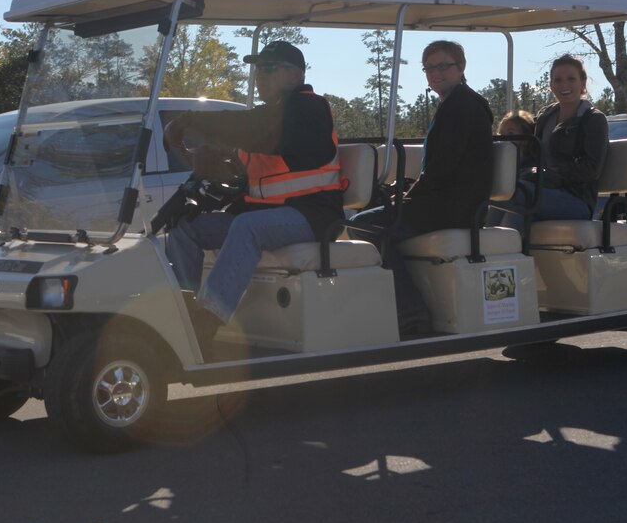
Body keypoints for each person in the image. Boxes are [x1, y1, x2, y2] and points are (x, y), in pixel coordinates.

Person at [163, 40, 345, 343]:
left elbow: (256, 129)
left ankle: (205, 323)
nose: (260, 75)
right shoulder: (272, 114)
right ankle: (180, 313)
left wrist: (191, 120)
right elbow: (256, 170)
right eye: (258, 69)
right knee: (186, 228)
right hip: (269, 215)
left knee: (247, 228)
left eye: (269, 69)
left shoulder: (309, 107)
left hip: (313, 216)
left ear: (296, 75)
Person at [350, 40, 494, 333]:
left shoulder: (463, 106)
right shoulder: (453, 104)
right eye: (429, 68)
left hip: (455, 206)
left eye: (443, 66)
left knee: (364, 225)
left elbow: (443, 168)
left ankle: (410, 312)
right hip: (446, 201)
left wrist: (408, 195)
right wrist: (406, 191)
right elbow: (441, 168)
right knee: (376, 217)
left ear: (461, 67)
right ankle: (405, 304)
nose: (435, 73)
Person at [499, 54, 608, 228]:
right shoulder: (545, 116)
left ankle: (498, 250)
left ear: (582, 84)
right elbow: (532, 154)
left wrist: (548, 174)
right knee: (499, 193)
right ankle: (489, 250)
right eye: (558, 80)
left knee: (518, 193)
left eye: (571, 79)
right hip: (541, 192)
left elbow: (591, 169)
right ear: (551, 85)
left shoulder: (593, 119)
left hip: (576, 199)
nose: (564, 85)